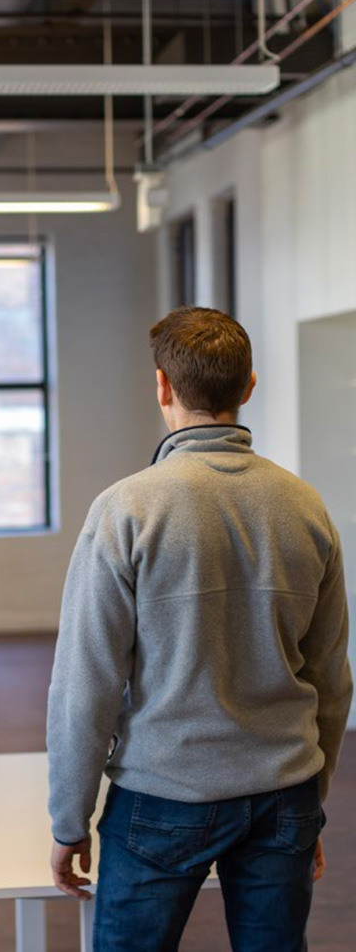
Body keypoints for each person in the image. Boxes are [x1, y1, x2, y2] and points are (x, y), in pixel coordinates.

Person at [47, 308, 352, 952]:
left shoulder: (126, 508)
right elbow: (330, 675)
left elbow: (87, 681)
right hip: (284, 795)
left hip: (163, 794)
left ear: (162, 387)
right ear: (248, 388)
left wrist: (68, 819)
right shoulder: (306, 506)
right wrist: (310, 803)